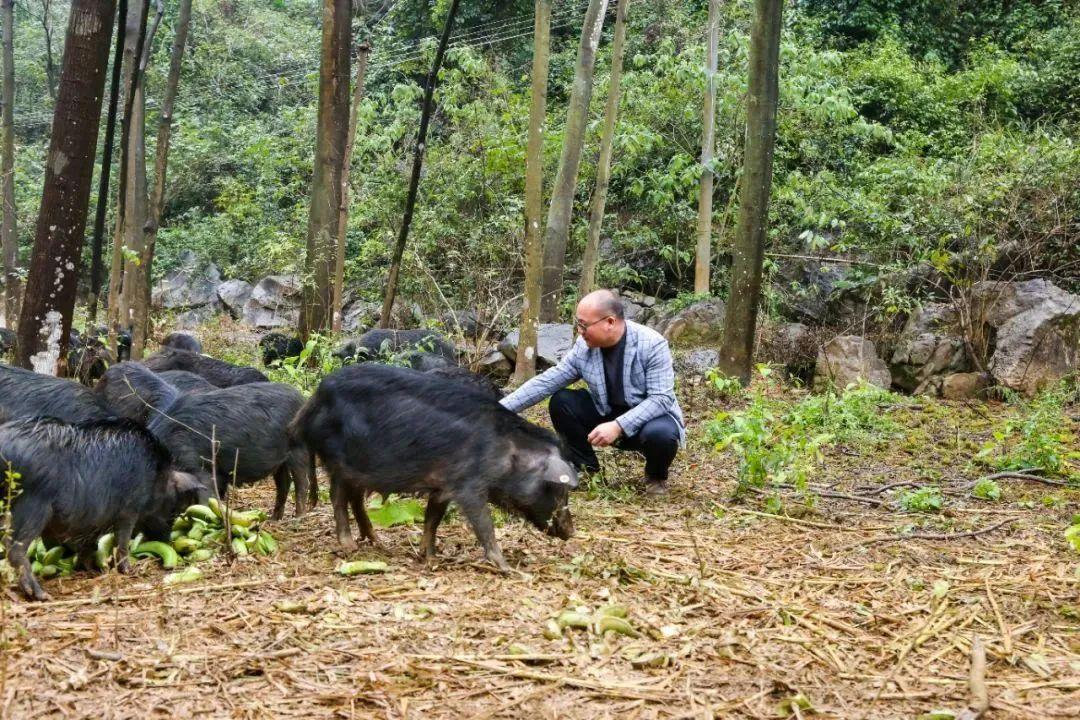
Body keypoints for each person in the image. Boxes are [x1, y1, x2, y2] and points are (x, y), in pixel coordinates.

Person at [500, 289, 684, 495]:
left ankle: (655, 477)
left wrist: (618, 426)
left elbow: (661, 398)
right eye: (579, 323)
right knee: (562, 401)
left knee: (662, 435)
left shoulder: (652, 344)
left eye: (584, 325)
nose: (580, 330)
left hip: (647, 420)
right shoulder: (584, 347)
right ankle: (587, 469)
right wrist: (498, 409)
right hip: (606, 412)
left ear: (610, 322)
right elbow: (548, 380)